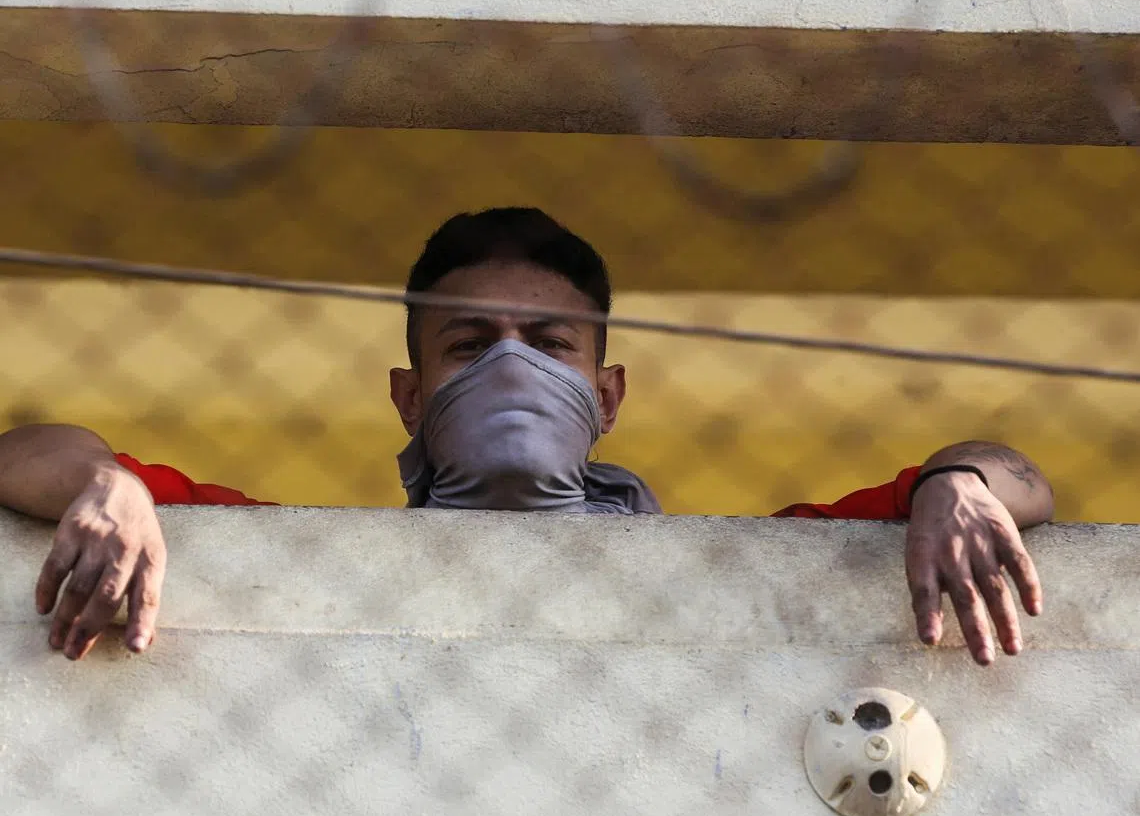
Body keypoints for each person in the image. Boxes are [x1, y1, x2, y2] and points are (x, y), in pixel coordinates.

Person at [0, 208, 1053, 666]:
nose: (515, 368)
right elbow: (15, 458)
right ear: (410, 398)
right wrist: (109, 480)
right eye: (472, 344)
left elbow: (1025, 477)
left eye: (550, 343)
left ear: (609, 392)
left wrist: (958, 485)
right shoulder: (291, 544)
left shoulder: (748, 562)